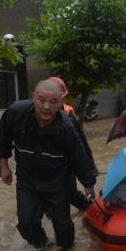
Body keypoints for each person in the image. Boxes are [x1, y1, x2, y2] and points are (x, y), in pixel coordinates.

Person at [0, 80, 96, 251]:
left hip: (57, 181)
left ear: (61, 102)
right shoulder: (16, 113)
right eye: (41, 100)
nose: (46, 106)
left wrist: (88, 183)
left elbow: (79, 155)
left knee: (62, 225)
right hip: (27, 180)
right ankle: (43, 247)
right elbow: (2, 139)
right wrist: (3, 166)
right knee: (26, 224)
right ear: (33, 97)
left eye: (53, 102)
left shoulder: (67, 126)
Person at [48, 76, 97, 211]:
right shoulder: (37, 116)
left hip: (66, 165)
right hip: (46, 168)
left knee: (70, 194)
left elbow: (81, 144)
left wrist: (90, 169)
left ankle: (90, 209)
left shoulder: (69, 115)